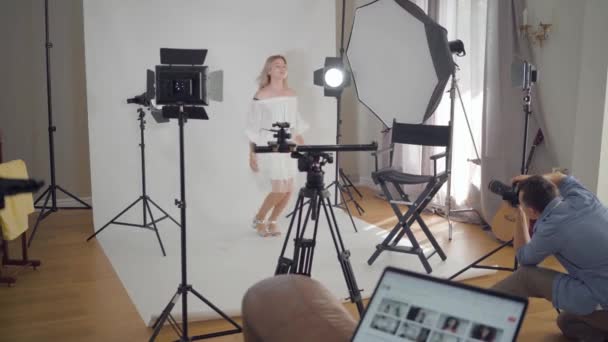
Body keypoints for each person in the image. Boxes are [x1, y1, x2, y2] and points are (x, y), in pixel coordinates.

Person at [491, 172, 608, 341]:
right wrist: (533, 179)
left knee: (526, 277)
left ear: (531, 211)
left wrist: (520, 214)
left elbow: (523, 257)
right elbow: (561, 176)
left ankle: (471, 312)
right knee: (567, 322)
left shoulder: (551, 228)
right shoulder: (582, 197)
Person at [245, 55, 308, 237]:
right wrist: (252, 154)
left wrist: (302, 143)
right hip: (269, 144)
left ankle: (272, 221)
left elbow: (295, 122)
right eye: (277, 66)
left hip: (289, 144)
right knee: (278, 189)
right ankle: (259, 218)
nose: (281, 68)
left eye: (284, 66)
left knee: (289, 189)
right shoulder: (261, 95)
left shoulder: (291, 93)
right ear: (269, 70)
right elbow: (252, 127)